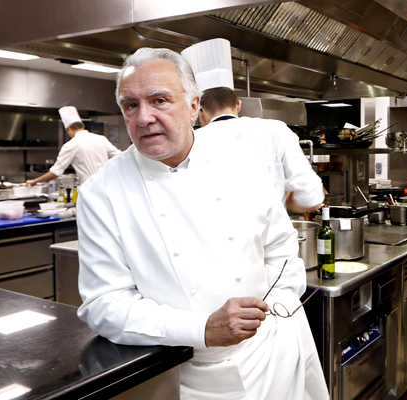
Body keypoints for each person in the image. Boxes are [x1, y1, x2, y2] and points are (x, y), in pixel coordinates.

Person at [75, 47, 329, 400]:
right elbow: (104, 305)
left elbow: (282, 249)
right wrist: (203, 328)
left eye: (159, 100)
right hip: (188, 375)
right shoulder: (100, 193)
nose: (144, 117)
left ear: (194, 106)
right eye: (130, 105)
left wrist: (275, 313)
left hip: (274, 354)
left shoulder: (242, 159)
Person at [181, 38, 324, 213]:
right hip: (269, 239)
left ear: (199, 111)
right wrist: (286, 203)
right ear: (238, 104)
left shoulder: (191, 142)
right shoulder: (276, 130)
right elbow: (311, 197)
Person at [26, 106, 121, 186]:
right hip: (107, 186)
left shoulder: (71, 145)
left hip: (89, 188)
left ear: (69, 128)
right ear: (82, 126)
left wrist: (35, 181)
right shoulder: (101, 139)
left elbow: (56, 172)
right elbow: (119, 156)